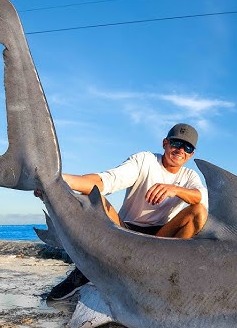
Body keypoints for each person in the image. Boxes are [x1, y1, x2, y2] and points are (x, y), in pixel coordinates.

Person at [43, 123, 208, 300]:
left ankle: (168, 275)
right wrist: (61, 181)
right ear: (165, 143)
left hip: (161, 237)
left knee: (198, 211)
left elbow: (201, 198)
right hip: (125, 231)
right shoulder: (145, 160)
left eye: (187, 147)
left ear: (191, 154)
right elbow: (106, 180)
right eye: (176, 143)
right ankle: (84, 272)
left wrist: (175, 189)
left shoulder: (190, 176)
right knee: (94, 199)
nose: (180, 150)